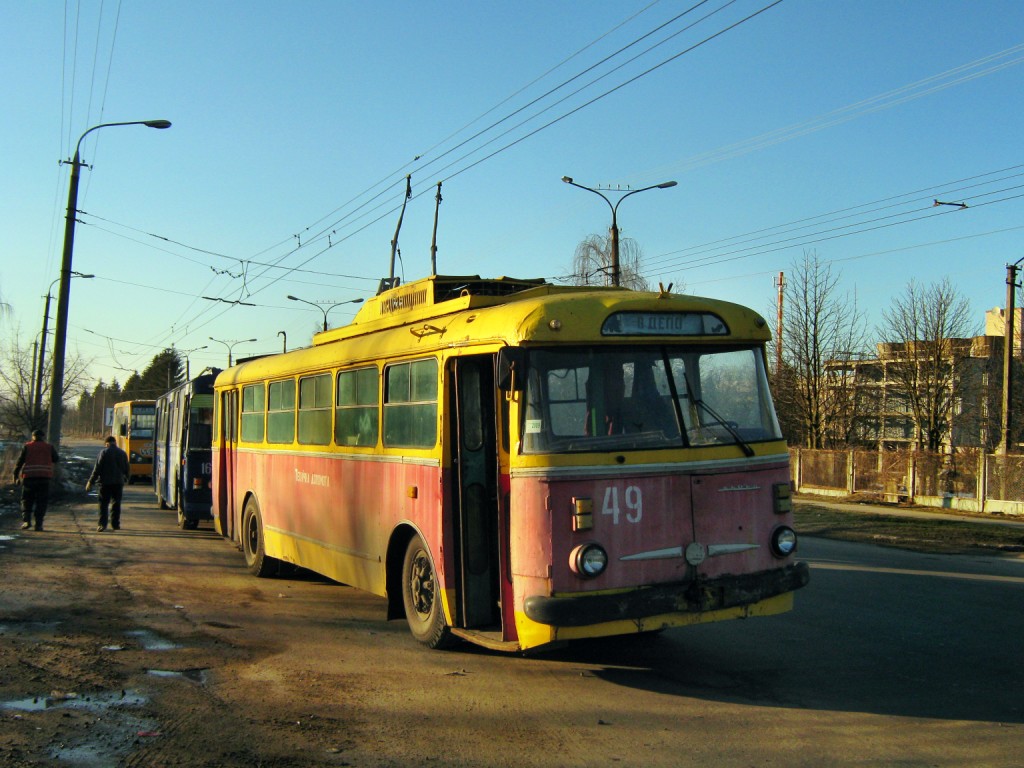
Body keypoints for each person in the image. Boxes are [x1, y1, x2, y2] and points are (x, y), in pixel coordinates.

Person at [13, 429, 59, 531]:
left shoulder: (27, 446)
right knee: (41, 501)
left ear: (33, 436)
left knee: (27, 500)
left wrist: (15, 476)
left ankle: (26, 521)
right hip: (44, 478)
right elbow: (56, 459)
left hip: (29, 478)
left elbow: (19, 462)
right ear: (43, 436)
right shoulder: (49, 447)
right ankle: (38, 524)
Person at [86, 435, 130, 532]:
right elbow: (127, 468)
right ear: (115, 443)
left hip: (105, 483)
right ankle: (115, 524)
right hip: (118, 483)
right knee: (116, 503)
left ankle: (102, 524)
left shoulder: (103, 452)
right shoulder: (122, 453)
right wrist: (127, 478)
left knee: (103, 504)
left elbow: (97, 469)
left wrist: (90, 481)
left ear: (107, 443)